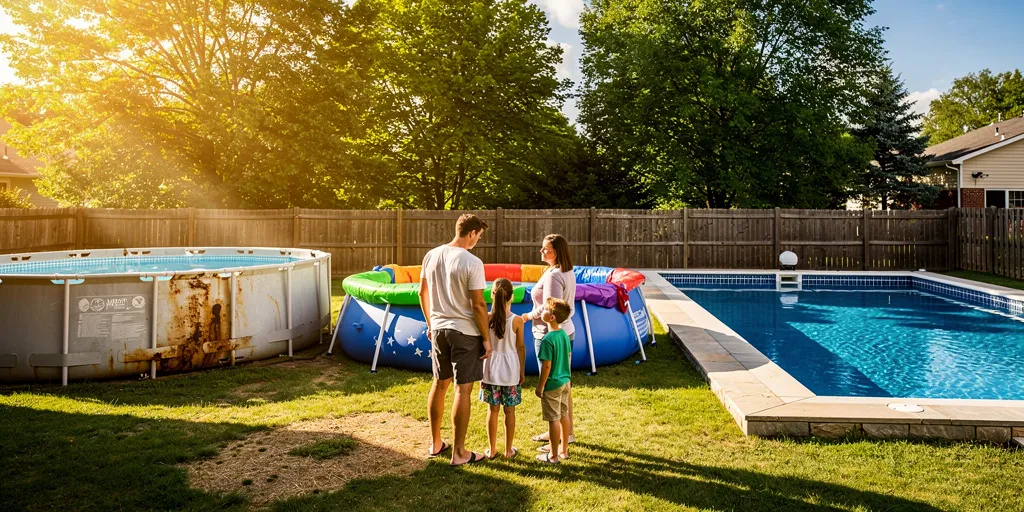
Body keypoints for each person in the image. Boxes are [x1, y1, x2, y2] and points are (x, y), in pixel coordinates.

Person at [418, 213, 492, 466]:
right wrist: (486, 339)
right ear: (471, 233)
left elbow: (422, 293)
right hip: (465, 332)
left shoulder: (431, 255)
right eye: (478, 236)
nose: (478, 241)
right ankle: (459, 453)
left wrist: (431, 324)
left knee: (440, 384)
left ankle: (435, 443)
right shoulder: (472, 261)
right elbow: (478, 305)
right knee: (463, 389)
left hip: (439, 329)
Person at [520, 234, 576, 451]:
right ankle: (565, 432)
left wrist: (527, 316)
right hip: (566, 332)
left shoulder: (554, 275)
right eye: (542, 248)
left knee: (553, 387)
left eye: (546, 249)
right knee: (564, 384)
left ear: (558, 252)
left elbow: (549, 308)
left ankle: (559, 437)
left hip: (549, 334)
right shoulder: (566, 271)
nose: (542, 251)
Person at [479, 278, 526, 459]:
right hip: (511, 371)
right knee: (510, 411)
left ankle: (492, 450)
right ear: (511, 296)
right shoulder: (517, 320)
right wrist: (521, 371)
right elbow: (520, 348)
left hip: (491, 369)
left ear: (492, 295)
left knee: (493, 410)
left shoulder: (487, 318)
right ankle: (508, 450)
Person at [535, 297, 572, 463]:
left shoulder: (547, 340)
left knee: (553, 420)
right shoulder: (564, 335)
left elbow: (546, 367)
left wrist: (540, 386)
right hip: (565, 382)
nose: (542, 310)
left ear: (552, 317)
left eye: (545, 309)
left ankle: (553, 455)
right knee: (564, 415)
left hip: (552, 385)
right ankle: (564, 451)